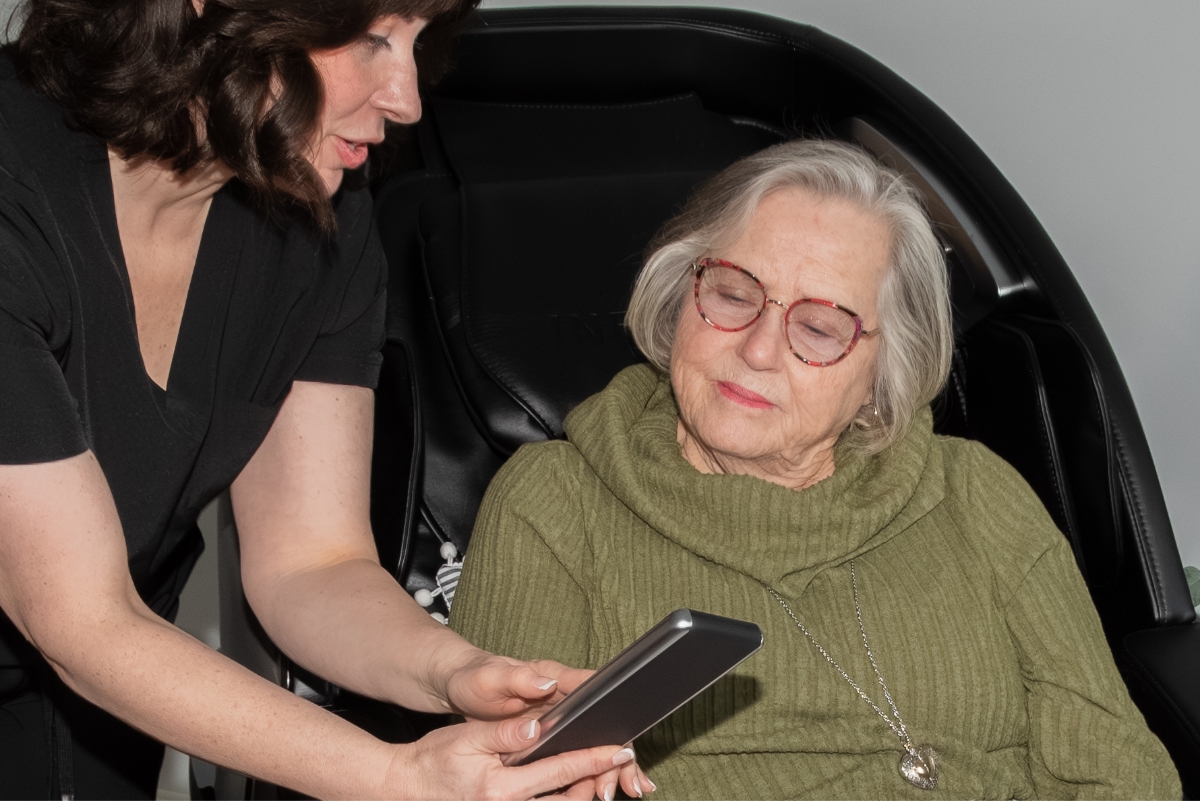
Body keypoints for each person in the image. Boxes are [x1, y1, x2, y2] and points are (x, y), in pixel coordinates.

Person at [0, 0, 651, 798]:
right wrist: (397, 777)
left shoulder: (319, 219)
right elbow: (80, 619)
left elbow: (313, 562)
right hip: (91, 651)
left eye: (417, 43)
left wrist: (456, 671)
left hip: (102, 720)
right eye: (372, 37)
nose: (407, 100)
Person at [450, 139, 1183, 799]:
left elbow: (1123, 774)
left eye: (819, 327)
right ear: (679, 298)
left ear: (883, 374)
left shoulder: (976, 492)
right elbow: (508, 779)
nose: (759, 349)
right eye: (733, 294)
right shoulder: (555, 505)